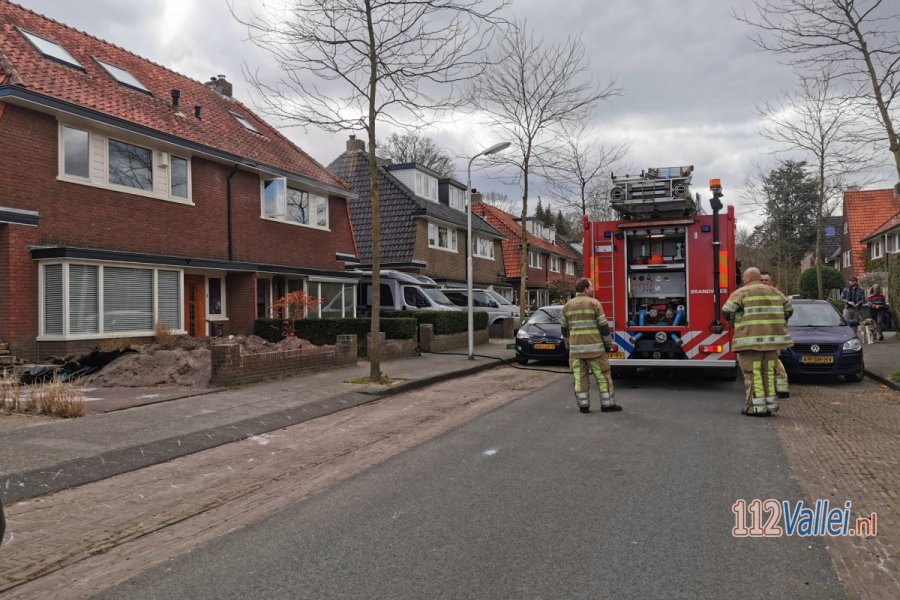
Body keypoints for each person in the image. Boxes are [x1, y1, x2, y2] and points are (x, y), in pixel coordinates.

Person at [722, 267, 794, 417]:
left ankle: (755, 408)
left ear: (748, 278)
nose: (743, 279)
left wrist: (737, 323)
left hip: (750, 342)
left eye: (743, 277)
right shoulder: (775, 292)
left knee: (753, 373)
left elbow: (726, 311)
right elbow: (789, 310)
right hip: (773, 342)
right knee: (768, 372)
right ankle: (771, 406)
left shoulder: (742, 292)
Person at [561, 277, 621, 414]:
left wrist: (568, 347)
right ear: (586, 289)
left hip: (576, 352)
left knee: (579, 378)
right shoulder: (594, 303)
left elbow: (564, 329)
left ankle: (584, 406)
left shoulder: (567, 305)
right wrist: (608, 344)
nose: (593, 289)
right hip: (596, 351)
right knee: (603, 377)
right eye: (591, 287)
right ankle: (607, 405)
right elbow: (604, 327)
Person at [758, 271, 790, 398]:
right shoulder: (759, 294)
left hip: (772, 334)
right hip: (762, 333)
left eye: (766, 280)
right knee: (769, 362)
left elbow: (788, 309)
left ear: (770, 282)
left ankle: (781, 389)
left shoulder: (777, 294)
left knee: (774, 361)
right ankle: (776, 387)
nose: (764, 282)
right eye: (762, 280)